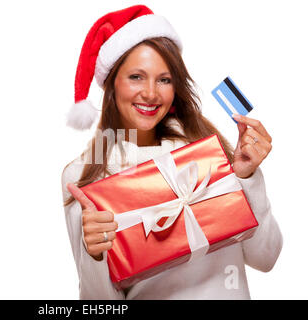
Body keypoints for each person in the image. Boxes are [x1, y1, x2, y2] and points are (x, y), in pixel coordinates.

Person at [61, 5, 282, 299]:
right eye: (136, 77)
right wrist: (95, 255)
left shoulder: (209, 153)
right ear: (112, 84)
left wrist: (247, 177)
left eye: (164, 79)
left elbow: (265, 258)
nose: (151, 93)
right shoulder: (85, 178)